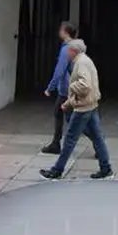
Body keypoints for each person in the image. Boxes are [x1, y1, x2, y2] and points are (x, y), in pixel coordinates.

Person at [40, 39, 113, 180]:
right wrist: (68, 103)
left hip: (83, 108)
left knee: (70, 139)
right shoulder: (86, 60)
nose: (67, 53)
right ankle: (106, 168)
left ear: (74, 51)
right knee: (97, 138)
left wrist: (71, 86)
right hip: (91, 105)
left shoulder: (80, 63)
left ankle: (57, 170)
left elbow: (84, 86)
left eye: (68, 50)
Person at [42, 21, 78, 155]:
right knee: (62, 114)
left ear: (65, 32)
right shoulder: (75, 47)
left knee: (69, 117)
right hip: (71, 87)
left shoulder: (66, 49)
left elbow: (60, 70)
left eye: (61, 29)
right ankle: (56, 143)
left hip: (66, 89)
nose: (59, 31)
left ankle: (98, 142)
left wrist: (50, 87)